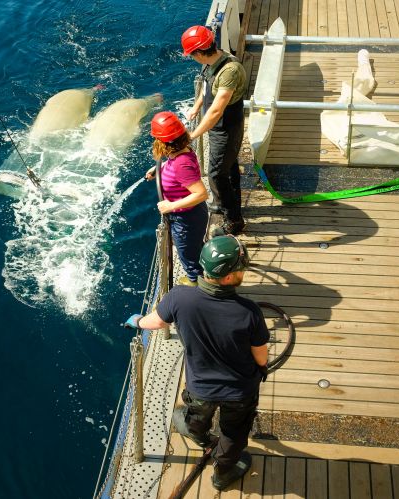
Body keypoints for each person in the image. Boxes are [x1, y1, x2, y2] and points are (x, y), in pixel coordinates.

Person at [124, 235, 269, 490]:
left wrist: (136, 322)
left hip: (200, 387)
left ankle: (199, 435)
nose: (243, 270)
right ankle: (223, 474)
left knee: (197, 414)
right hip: (239, 392)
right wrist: (261, 370)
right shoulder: (248, 311)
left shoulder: (179, 298)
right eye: (240, 267)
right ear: (227, 277)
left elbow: (155, 322)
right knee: (233, 434)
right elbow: (260, 355)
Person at [182, 25, 247, 236]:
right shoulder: (212, 62)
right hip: (218, 127)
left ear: (200, 53)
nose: (191, 57)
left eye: (192, 54)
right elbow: (207, 87)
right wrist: (196, 107)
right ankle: (226, 203)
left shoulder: (230, 70)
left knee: (218, 174)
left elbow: (217, 109)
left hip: (227, 127)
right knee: (227, 167)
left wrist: (192, 135)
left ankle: (234, 220)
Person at [146, 111, 208, 286]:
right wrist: (158, 168)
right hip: (191, 216)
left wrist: (170, 206)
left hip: (186, 219)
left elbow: (201, 193)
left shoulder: (182, 164)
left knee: (188, 256)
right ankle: (202, 275)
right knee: (194, 248)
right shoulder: (181, 153)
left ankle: (196, 285)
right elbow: (174, 164)